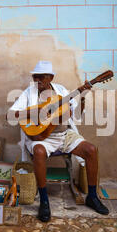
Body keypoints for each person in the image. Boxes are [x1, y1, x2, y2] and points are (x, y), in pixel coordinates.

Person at [8, 61, 109, 222]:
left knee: (90, 150)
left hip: (64, 135)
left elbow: (75, 116)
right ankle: (44, 201)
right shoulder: (29, 92)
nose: (38, 80)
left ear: (51, 77)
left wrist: (82, 99)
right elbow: (11, 115)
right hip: (42, 138)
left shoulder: (61, 91)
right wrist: (36, 111)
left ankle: (92, 196)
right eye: (35, 77)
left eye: (42, 77)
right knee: (39, 152)